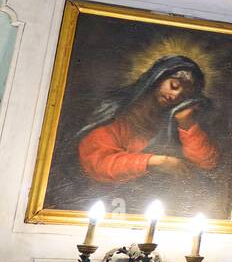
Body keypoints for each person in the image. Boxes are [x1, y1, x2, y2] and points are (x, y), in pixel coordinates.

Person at [76, 55, 219, 186]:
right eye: (174, 85)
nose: (175, 96)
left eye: (184, 95)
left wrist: (186, 123)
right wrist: (155, 161)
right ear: (158, 78)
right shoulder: (118, 110)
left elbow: (207, 163)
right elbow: (97, 162)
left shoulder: (173, 118)